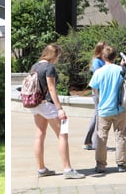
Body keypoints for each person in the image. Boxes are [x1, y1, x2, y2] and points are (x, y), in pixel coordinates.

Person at [28, 44, 85, 179]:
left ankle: (41, 169)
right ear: (54, 55)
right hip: (48, 105)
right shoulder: (49, 67)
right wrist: (60, 109)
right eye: (58, 56)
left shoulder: (35, 66)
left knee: (39, 135)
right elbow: (52, 89)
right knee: (62, 135)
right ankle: (68, 169)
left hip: (35, 104)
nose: (58, 59)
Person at [89, 45, 126, 174]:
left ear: (103, 57)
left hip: (104, 109)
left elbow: (94, 89)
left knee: (101, 137)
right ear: (115, 57)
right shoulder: (120, 69)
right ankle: (121, 164)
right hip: (120, 108)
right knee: (120, 137)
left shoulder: (99, 72)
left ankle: (100, 165)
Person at [83, 41, 107, 151]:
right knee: (98, 116)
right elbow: (98, 76)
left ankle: (88, 141)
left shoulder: (104, 61)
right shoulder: (97, 61)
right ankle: (96, 143)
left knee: (96, 115)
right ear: (100, 50)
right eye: (105, 47)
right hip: (98, 92)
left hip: (104, 91)